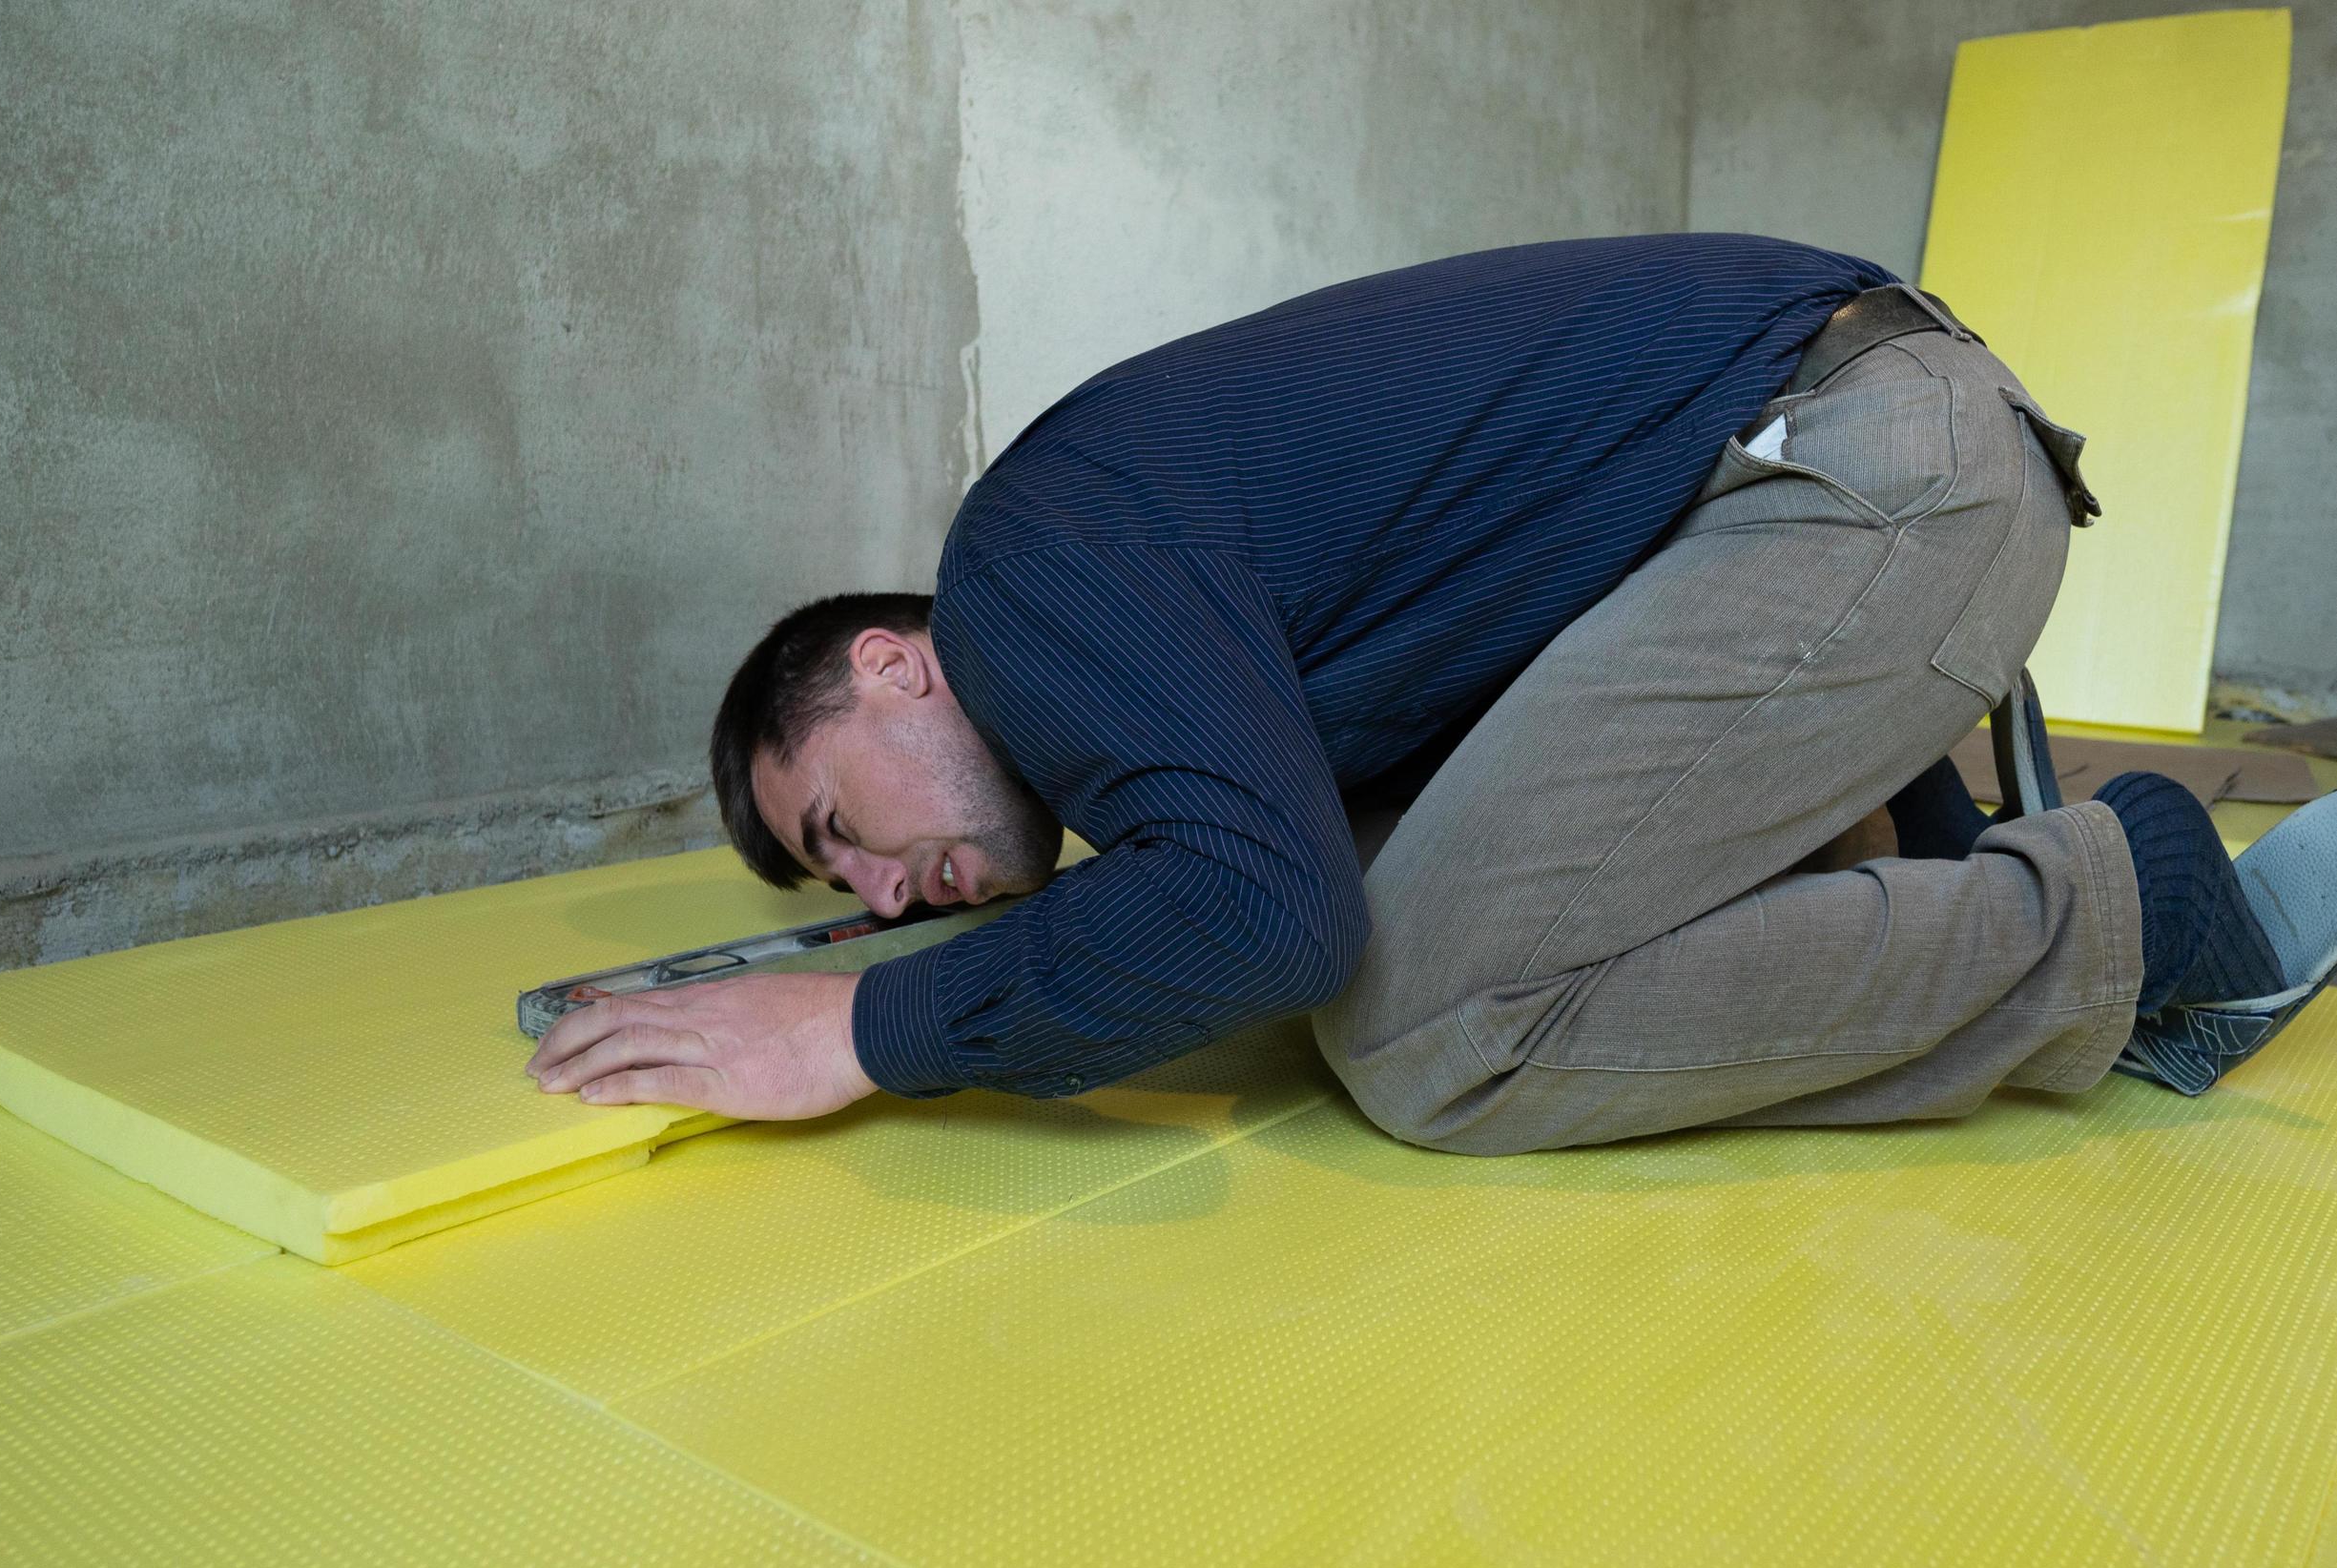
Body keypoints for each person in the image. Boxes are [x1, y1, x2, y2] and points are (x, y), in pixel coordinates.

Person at [528, 233, 2333, 1147]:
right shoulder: (1169, 634)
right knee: (1409, 901)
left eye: (838, 824)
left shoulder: (1020, 574)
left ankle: (2115, 910)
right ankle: (1954, 861)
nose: (876, 890)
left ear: (890, 659)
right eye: (843, 899)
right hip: (1853, 474)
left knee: (1420, 1036)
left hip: (1863, 473)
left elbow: (1261, 922)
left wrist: (854, 1034)